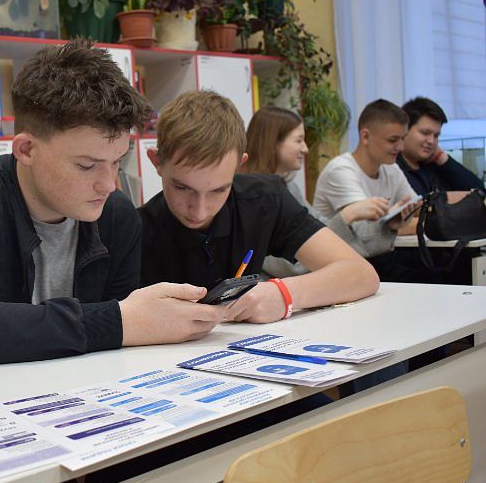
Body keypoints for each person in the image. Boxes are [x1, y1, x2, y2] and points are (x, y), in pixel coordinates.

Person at [0, 40, 225, 370]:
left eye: (117, 161)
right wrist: (117, 321)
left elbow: (115, 353)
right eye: (87, 165)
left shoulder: (117, 216)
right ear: (27, 150)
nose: (108, 184)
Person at [138, 90, 379, 324]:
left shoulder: (264, 199)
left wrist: (283, 294)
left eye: (219, 190)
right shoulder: (135, 231)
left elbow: (360, 273)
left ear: (239, 165)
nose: (200, 211)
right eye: (182, 188)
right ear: (157, 161)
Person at [243, 106, 391, 276]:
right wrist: (346, 217)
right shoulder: (253, 198)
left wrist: (388, 228)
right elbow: (290, 267)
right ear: (273, 142)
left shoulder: (290, 188)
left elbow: (317, 227)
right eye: (299, 140)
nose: (305, 149)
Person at [313, 99, 435, 283]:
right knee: (433, 277)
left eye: (402, 139)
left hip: (374, 260)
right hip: (343, 268)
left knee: (441, 270)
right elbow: (363, 236)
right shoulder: (340, 170)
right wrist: (396, 225)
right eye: (392, 140)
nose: (400, 147)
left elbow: (417, 207)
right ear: (365, 136)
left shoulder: (390, 167)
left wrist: (402, 221)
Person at [397, 97, 482, 200]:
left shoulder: (434, 166)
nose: (431, 141)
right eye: (425, 133)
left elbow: (479, 193)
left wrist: (442, 158)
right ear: (404, 130)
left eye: (436, 136)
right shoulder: (391, 169)